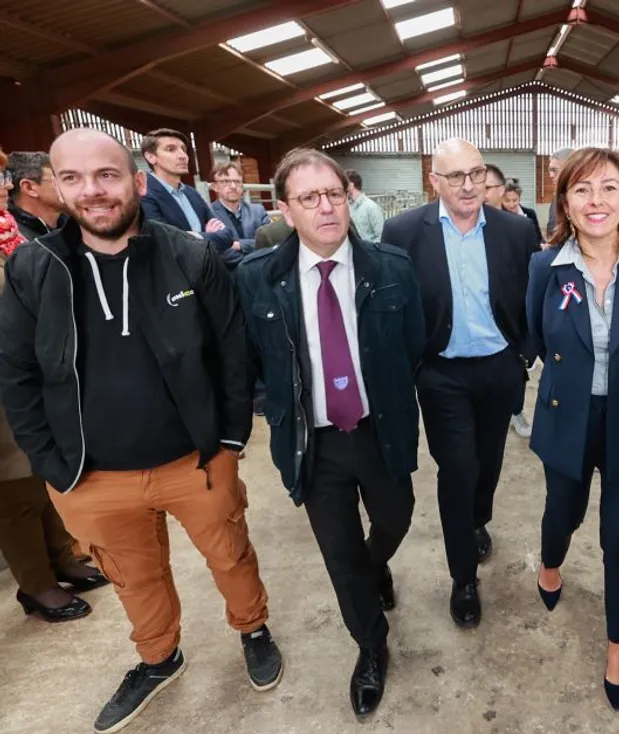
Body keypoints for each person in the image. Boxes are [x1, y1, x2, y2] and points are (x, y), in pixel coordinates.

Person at [0, 129, 283, 734]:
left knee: (230, 553)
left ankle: (252, 627)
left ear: (137, 181)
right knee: (134, 576)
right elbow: (17, 375)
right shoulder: (34, 267)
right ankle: (158, 657)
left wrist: (230, 440)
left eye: (106, 175)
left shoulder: (189, 254)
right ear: (53, 186)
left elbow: (233, 351)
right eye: (72, 178)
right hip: (91, 474)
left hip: (196, 461)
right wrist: (51, 463)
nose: (92, 191)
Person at [236, 148, 423, 719]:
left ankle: (375, 567)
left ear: (348, 198)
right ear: (286, 212)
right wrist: (278, 410)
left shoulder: (392, 267)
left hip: (378, 428)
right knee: (339, 553)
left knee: (395, 519)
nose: (325, 207)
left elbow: (412, 347)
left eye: (334, 194)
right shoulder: (257, 279)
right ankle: (370, 645)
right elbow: (249, 364)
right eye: (309, 198)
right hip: (312, 441)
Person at [528, 147, 619, 711]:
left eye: (609, 189)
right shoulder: (545, 268)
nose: (597, 201)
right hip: (567, 416)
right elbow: (541, 343)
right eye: (583, 189)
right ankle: (549, 563)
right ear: (565, 200)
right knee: (562, 513)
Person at [381, 138, 540, 628]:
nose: (468, 185)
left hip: (498, 367)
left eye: (475, 174)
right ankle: (463, 578)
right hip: (442, 372)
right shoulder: (404, 231)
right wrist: (413, 366)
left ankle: (478, 520)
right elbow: (394, 304)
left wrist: (524, 356)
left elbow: (531, 297)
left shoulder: (515, 230)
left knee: (488, 462)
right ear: (435, 181)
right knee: (456, 469)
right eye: (456, 176)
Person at [0, 148, 108, 624]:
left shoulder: (19, 230)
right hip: (7, 373)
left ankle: (61, 556)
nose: (3, 182)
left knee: (43, 470)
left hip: (32, 363)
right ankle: (36, 583)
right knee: (15, 485)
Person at [482, 165, 538, 439]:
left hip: (510, 338)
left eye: (487, 187)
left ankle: (517, 413)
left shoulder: (520, 228)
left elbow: (534, 283)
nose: (479, 193)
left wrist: (529, 345)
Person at [138, 128, 236, 263]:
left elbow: (227, 236)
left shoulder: (192, 193)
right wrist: (207, 236)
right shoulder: (144, 194)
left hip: (209, 269)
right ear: (150, 157)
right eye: (171, 149)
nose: (183, 155)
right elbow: (166, 243)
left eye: (183, 149)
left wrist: (191, 237)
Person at [210, 161, 271, 255]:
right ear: (215, 187)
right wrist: (253, 245)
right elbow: (218, 251)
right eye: (226, 181)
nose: (233, 186)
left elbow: (269, 241)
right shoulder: (209, 214)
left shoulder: (258, 211)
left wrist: (240, 245)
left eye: (237, 181)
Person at [7, 151, 65, 240]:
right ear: (29, 188)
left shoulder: (78, 226)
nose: (72, 187)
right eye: (60, 179)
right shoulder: (11, 239)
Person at [345, 170, 385, 243]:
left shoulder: (372, 207)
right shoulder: (348, 207)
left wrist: (369, 250)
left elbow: (381, 236)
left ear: (351, 185)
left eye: (344, 185)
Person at [545, 148, 572, 237]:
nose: (550, 175)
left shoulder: (582, 199)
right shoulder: (558, 195)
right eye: (550, 170)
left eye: (555, 170)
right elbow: (551, 226)